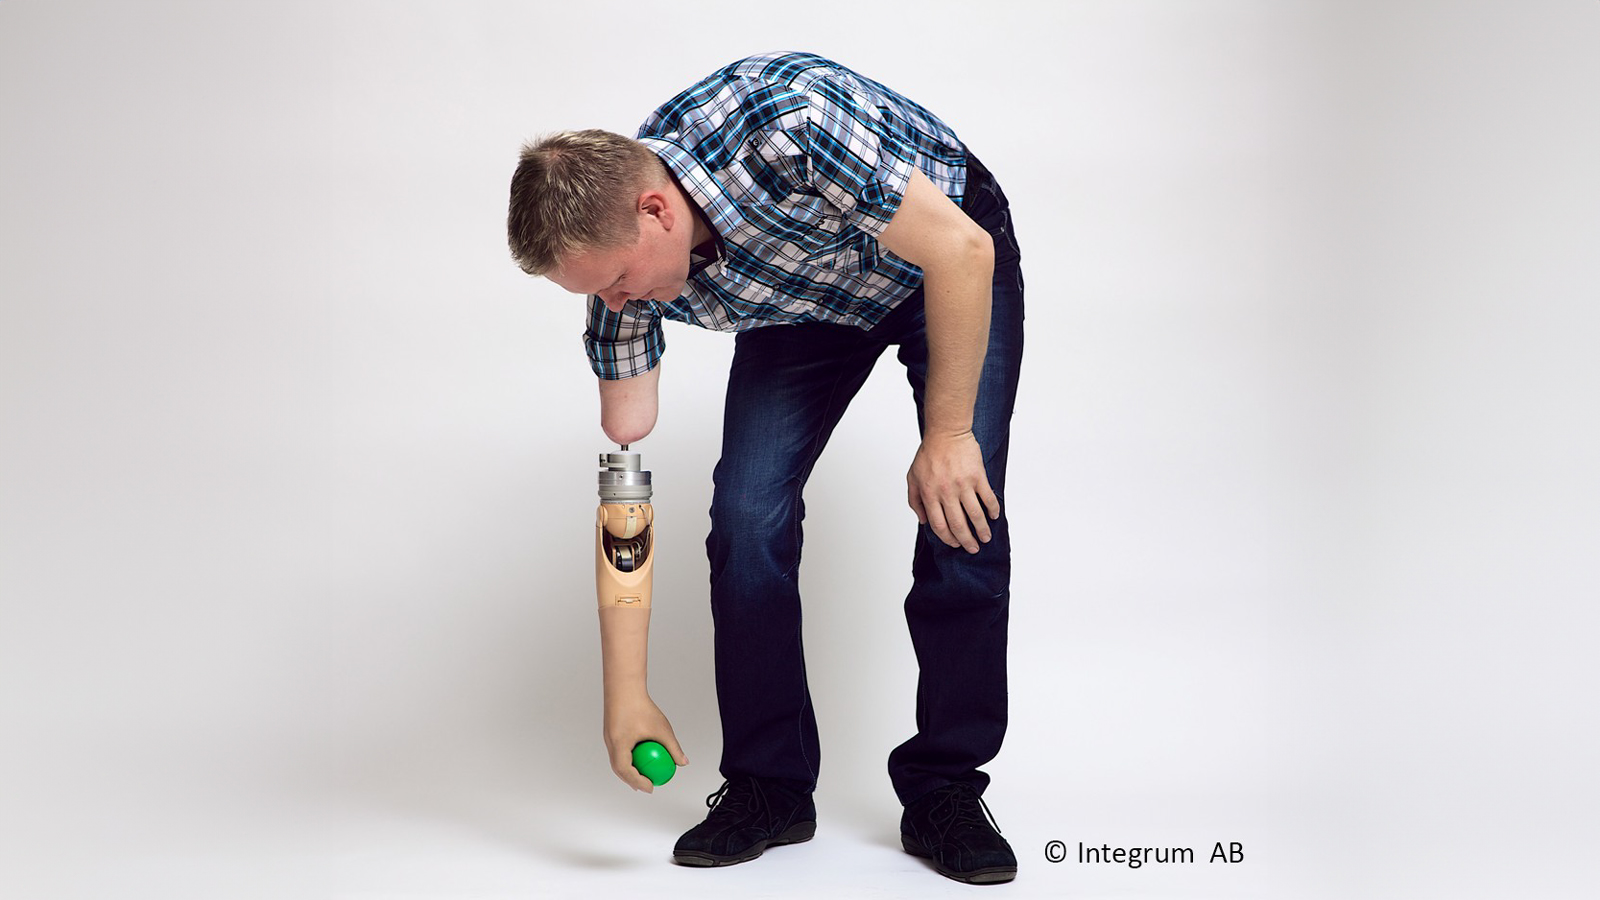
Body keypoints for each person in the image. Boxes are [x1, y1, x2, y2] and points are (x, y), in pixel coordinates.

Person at [507, 51, 1024, 885]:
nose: (616, 305)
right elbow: (624, 462)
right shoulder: (623, 287)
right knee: (745, 520)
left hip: (945, 262)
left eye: (617, 281)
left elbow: (960, 251)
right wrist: (624, 694)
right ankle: (768, 786)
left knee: (958, 510)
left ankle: (945, 789)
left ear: (655, 210)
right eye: (592, 295)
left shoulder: (786, 128)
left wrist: (949, 434)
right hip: (807, 302)